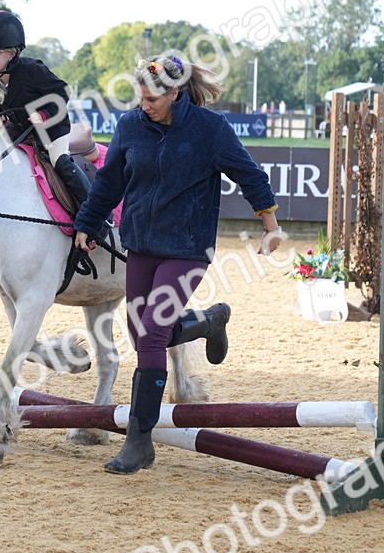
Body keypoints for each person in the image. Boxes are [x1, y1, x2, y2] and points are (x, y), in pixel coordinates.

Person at [73, 54, 286, 475]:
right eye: (140, 98)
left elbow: (250, 175)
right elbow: (109, 181)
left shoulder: (210, 129)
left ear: (174, 93)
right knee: (141, 333)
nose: (144, 106)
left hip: (187, 247)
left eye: (151, 99)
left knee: (152, 333)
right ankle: (208, 322)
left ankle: (139, 441)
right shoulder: (131, 126)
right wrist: (87, 223)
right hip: (141, 243)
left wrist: (271, 226)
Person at [0, 10, 91, 202]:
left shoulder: (32, 70)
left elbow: (63, 92)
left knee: (60, 162)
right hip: (18, 130)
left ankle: (94, 211)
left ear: (12, 52)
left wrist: (44, 114)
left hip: (51, 130)